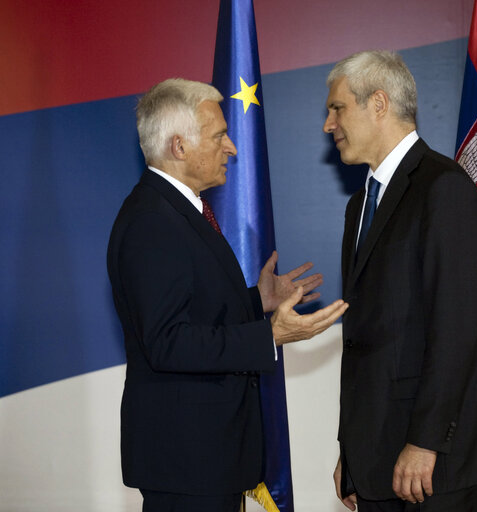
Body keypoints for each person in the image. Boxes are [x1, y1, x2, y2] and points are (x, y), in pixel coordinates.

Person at [107, 77, 348, 512]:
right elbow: (167, 342)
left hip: (204, 458)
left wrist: (257, 301)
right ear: (179, 146)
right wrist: (268, 335)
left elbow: (192, 312)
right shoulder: (153, 222)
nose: (232, 147)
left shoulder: (180, 210)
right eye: (220, 136)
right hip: (186, 463)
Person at [324, 51, 477, 511]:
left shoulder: (443, 188)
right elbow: (366, 341)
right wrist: (351, 450)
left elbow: (456, 330)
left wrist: (425, 442)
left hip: (434, 466)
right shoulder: (359, 205)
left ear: (379, 104)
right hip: (376, 461)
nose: (329, 125)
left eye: (338, 108)